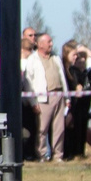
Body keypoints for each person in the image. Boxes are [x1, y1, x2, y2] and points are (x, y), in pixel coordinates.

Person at [24, 32, 68, 162]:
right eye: (48, 42)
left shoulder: (56, 58)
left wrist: (67, 97)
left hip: (59, 95)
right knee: (42, 129)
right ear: (40, 44)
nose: (51, 44)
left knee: (59, 128)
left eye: (51, 41)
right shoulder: (32, 59)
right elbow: (27, 82)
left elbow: (62, 77)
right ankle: (42, 154)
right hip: (43, 98)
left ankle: (58, 155)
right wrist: (33, 102)